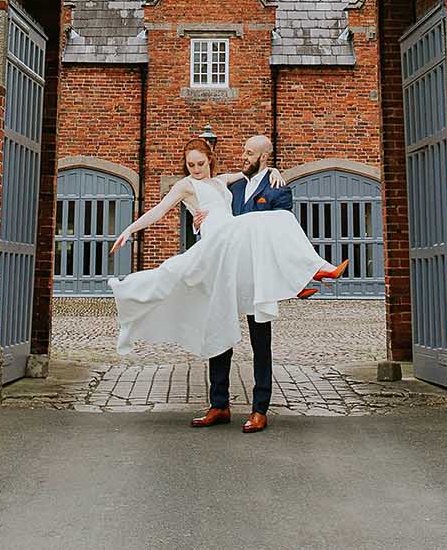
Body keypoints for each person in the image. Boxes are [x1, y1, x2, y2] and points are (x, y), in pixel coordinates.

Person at [107, 133, 346, 434]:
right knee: (212, 324)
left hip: (247, 267)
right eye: (190, 165)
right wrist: (130, 229)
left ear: (210, 161)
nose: (195, 169)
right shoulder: (186, 186)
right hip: (217, 256)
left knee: (261, 339)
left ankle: (260, 408)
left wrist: (272, 169)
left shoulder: (227, 182)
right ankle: (218, 404)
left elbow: (257, 176)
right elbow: (159, 210)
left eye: (200, 164)